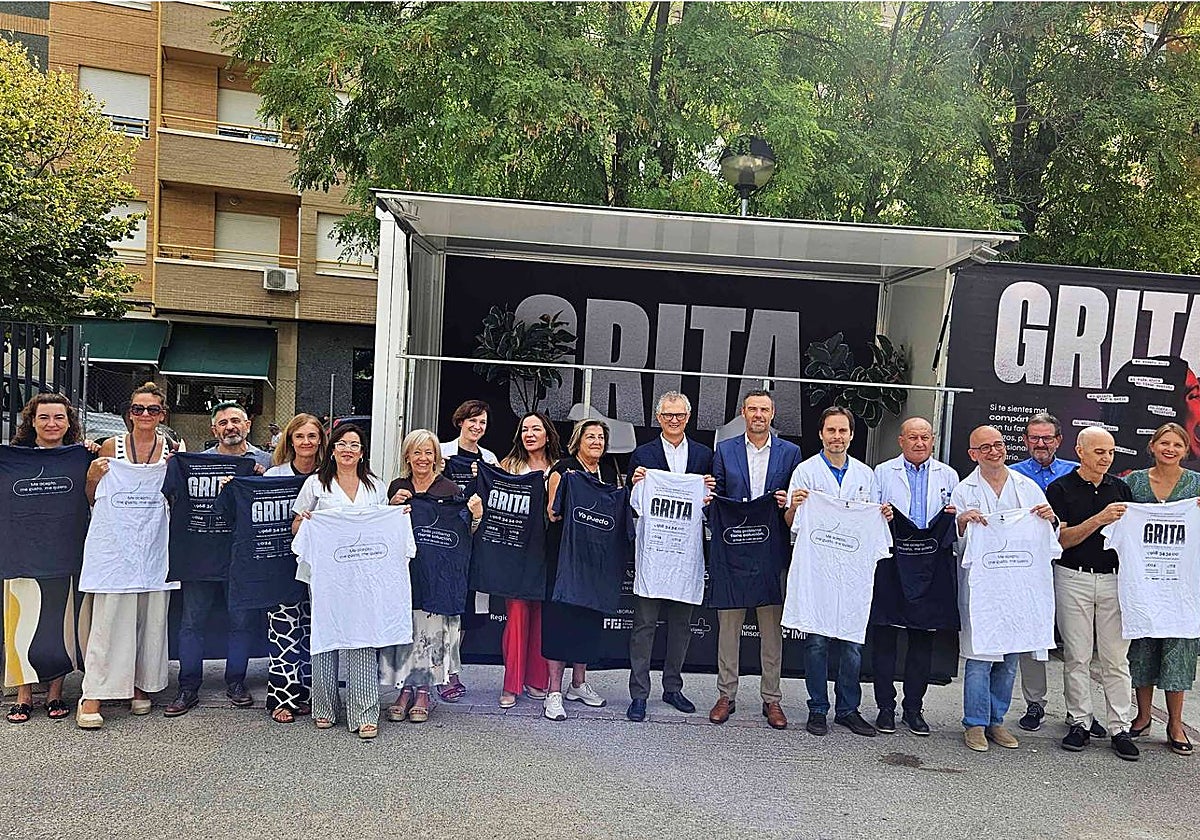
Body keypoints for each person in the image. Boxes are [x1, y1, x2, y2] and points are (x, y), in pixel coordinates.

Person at [951, 425, 1058, 752]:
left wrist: (1050, 518)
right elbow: (958, 544)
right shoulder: (964, 490)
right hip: (982, 588)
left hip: (1017, 587)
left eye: (998, 445)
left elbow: (1049, 535)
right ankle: (975, 724)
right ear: (973, 454)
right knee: (980, 657)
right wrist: (962, 522)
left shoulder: (1027, 487)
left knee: (1010, 657)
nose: (994, 451)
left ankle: (997, 721)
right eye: (985, 447)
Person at [784, 406, 888, 738]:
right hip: (818, 570)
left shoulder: (865, 475)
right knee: (816, 641)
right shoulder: (805, 471)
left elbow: (873, 526)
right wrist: (797, 506)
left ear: (852, 435)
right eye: (831, 430)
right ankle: (817, 708)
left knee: (852, 643)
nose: (837, 437)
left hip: (853, 572)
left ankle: (848, 709)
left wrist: (881, 515)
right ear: (821, 434)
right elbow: (791, 524)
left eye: (843, 431)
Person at [76, 382, 175, 729]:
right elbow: (92, 498)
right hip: (114, 549)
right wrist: (92, 475)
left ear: (162, 414)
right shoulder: (110, 446)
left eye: (152, 409)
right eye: (138, 408)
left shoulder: (171, 451)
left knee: (149, 622)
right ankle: (94, 694)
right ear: (128, 412)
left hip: (152, 548)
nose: (144, 415)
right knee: (108, 623)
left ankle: (139, 685)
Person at [165, 401, 272, 717]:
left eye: (236, 421)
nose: (230, 427)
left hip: (243, 558)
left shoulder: (264, 461)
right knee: (191, 622)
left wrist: (261, 479)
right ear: (214, 430)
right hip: (200, 556)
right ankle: (188, 687)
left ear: (248, 425)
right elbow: (170, 496)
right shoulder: (195, 463)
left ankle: (236, 681)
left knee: (241, 623)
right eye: (223, 422)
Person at [1044, 426, 1139, 761]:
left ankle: (1120, 727)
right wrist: (1099, 519)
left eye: (1111, 452)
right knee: (1078, 656)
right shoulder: (1060, 488)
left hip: (1114, 579)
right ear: (1080, 451)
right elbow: (1062, 541)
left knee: (1116, 658)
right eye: (1100, 451)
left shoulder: (1121, 487)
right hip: (1073, 577)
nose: (1106, 458)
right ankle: (1080, 721)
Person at [708, 389, 801, 730]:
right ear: (743, 413)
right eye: (752, 409)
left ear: (772, 413)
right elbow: (715, 495)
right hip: (733, 551)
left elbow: (795, 499)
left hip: (771, 550)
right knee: (728, 627)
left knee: (771, 629)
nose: (758, 415)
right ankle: (725, 695)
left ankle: (772, 699)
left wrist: (786, 502)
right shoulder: (725, 450)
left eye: (764, 409)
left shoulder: (791, 452)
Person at [291, 423, 388, 738]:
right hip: (325, 575)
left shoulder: (376, 487)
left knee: (362, 637)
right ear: (332, 449)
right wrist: (305, 523)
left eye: (355, 445)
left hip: (363, 577)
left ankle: (364, 712)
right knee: (325, 637)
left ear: (362, 453)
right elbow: (295, 527)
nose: (348, 449)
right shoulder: (315, 484)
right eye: (342, 444)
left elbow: (383, 529)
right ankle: (324, 708)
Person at [4, 394, 94, 724]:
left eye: (59, 417)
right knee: (21, 624)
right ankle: (25, 694)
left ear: (69, 423)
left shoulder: (82, 457)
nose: (52, 424)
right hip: (21, 551)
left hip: (67, 550)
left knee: (60, 625)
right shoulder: (12, 459)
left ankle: (55, 692)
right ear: (32, 422)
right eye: (44, 417)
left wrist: (94, 457)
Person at [625, 391, 714, 722]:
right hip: (652, 555)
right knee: (644, 625)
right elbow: (632, 503)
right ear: (658, 418)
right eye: (667, 415)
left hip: (686, 555)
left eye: (679, 415)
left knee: (682, 625)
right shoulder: (643, 454)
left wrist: (710, 492)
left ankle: (673, 687)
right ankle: (639, 693)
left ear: (688, 418)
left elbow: (712, 503)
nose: (673, 420)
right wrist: (635, 484)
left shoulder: (704, 456)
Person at [870, 416, 959, 736]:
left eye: (925, 437)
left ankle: (913, 708)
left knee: (922, 639)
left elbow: (955, 522)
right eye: (912, 437)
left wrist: (955, 517)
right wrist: (881, 513)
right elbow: (870, 514)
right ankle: (884, 707)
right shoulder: (882, 472)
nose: (919, 443)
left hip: (931, 566)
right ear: (901, 441)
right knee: (885, 639)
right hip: (893, 563)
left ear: (933, 440)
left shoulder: (948, 475)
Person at [1123, 422, 1200, 756]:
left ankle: (1176, 723)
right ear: (1151, 446)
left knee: (1179, 650)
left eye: (1177, 445)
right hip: (1143, 582)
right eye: (1164, 443)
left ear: (1186, 450)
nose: (1170, 449)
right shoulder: (1132, 482)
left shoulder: (1197, 487)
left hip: (1182, 584)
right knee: (1143, 648)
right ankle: (1141, 717)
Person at [382, 429, 463, 724]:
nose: (423, 458)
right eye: (417, 452)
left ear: (436, 457)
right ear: (407, 456)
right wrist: (391, 507)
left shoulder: (449, 489)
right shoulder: (398, 486)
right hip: (403, 573)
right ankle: (403, 691)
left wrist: (475, 515)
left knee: (430, 632)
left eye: (428, 452)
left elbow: (463, 533)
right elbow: (383, 531)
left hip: (438, 574)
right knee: (405, 632)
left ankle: (424, 691)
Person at [542, 419, 620, 721]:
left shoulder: (608, 473)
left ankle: (579, 683)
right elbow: (552, 512)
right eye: (591, 437)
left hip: (595, 560)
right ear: (578, 441)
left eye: (601, 437)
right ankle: (553, 693)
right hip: (563, 558)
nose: (597, 442)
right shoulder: (564, 469)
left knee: (587, 619)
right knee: (560, 624)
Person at [1010, 412, 1081, 733]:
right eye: (1034, 438)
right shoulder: (1010, 476)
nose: (1041, 444)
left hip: (1069, 565)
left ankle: (1078, 712)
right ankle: (1034, 703)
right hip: (1026, 569)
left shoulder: (1076, 474)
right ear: (1025, 441)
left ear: (1059, 441)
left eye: (1047, 438)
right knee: (1032, 636)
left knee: (1076, 642)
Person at [260, 413, 328, 723]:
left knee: (314, 632)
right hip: (280, 566)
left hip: (321, 569)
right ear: (290, 440)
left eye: (312, 436)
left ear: (320, 441)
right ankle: (282, 698)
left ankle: (308, 695)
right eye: (299, 436)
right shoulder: (273, 476)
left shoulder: (331, 477)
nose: (306, 442)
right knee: (284, 632)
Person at [494, 411, 561, 708]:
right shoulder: (508, 465)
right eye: (524, 429)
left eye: (536, 429)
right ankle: (511, 683)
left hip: (549, 551)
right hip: (515, 553)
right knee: (518, 615)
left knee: (542, 618)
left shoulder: (561, 468)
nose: (529, 434)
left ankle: (536, 680)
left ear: (548, 434)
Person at [437, 399, 499, 702]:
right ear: (460, 421)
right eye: (472, 420)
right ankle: (441, 672)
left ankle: (452, 670)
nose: (477, 427)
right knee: (445, 605)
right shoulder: (440, 451)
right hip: (446, 540)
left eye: (483, 423)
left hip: (476, 541)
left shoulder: (490, 458)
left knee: (466, 610)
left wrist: (485, 475)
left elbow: (499, 495)